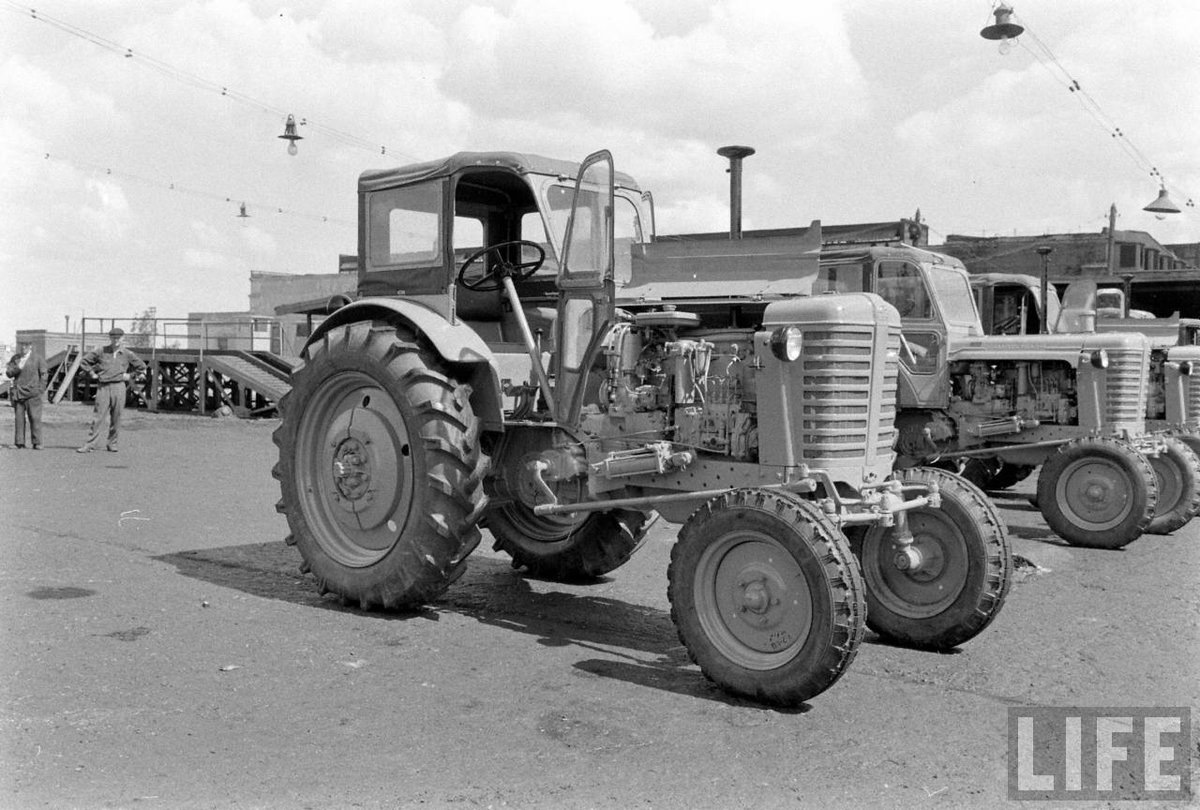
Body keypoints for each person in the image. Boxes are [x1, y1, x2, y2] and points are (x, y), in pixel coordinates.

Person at [77, 327, 147, 453]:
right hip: (103, 387)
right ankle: (90, 444)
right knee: (98, 417)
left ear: (123, 338)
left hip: (119, 386)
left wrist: (130, 375)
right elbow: (84, 362)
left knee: (117, 416)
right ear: (110, 338)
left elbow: (141, 366)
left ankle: (112, 443)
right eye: (113, 337)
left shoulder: (127, 353)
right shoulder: (101, 351)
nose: (116, 340)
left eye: (118, 338)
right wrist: (92, 373)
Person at [6, 339, 47, 449]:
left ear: (30, 346)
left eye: (26, 345)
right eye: (21, 345)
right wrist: (18, 367)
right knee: (19, 419)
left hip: (33, 393)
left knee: (35, 418)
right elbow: (9, 373)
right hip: (18, 393)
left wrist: (40, 389)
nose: (23, 347)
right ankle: (19, 443)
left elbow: (44, 374)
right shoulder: (15, 358)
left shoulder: (38, 358)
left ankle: (37, 442)